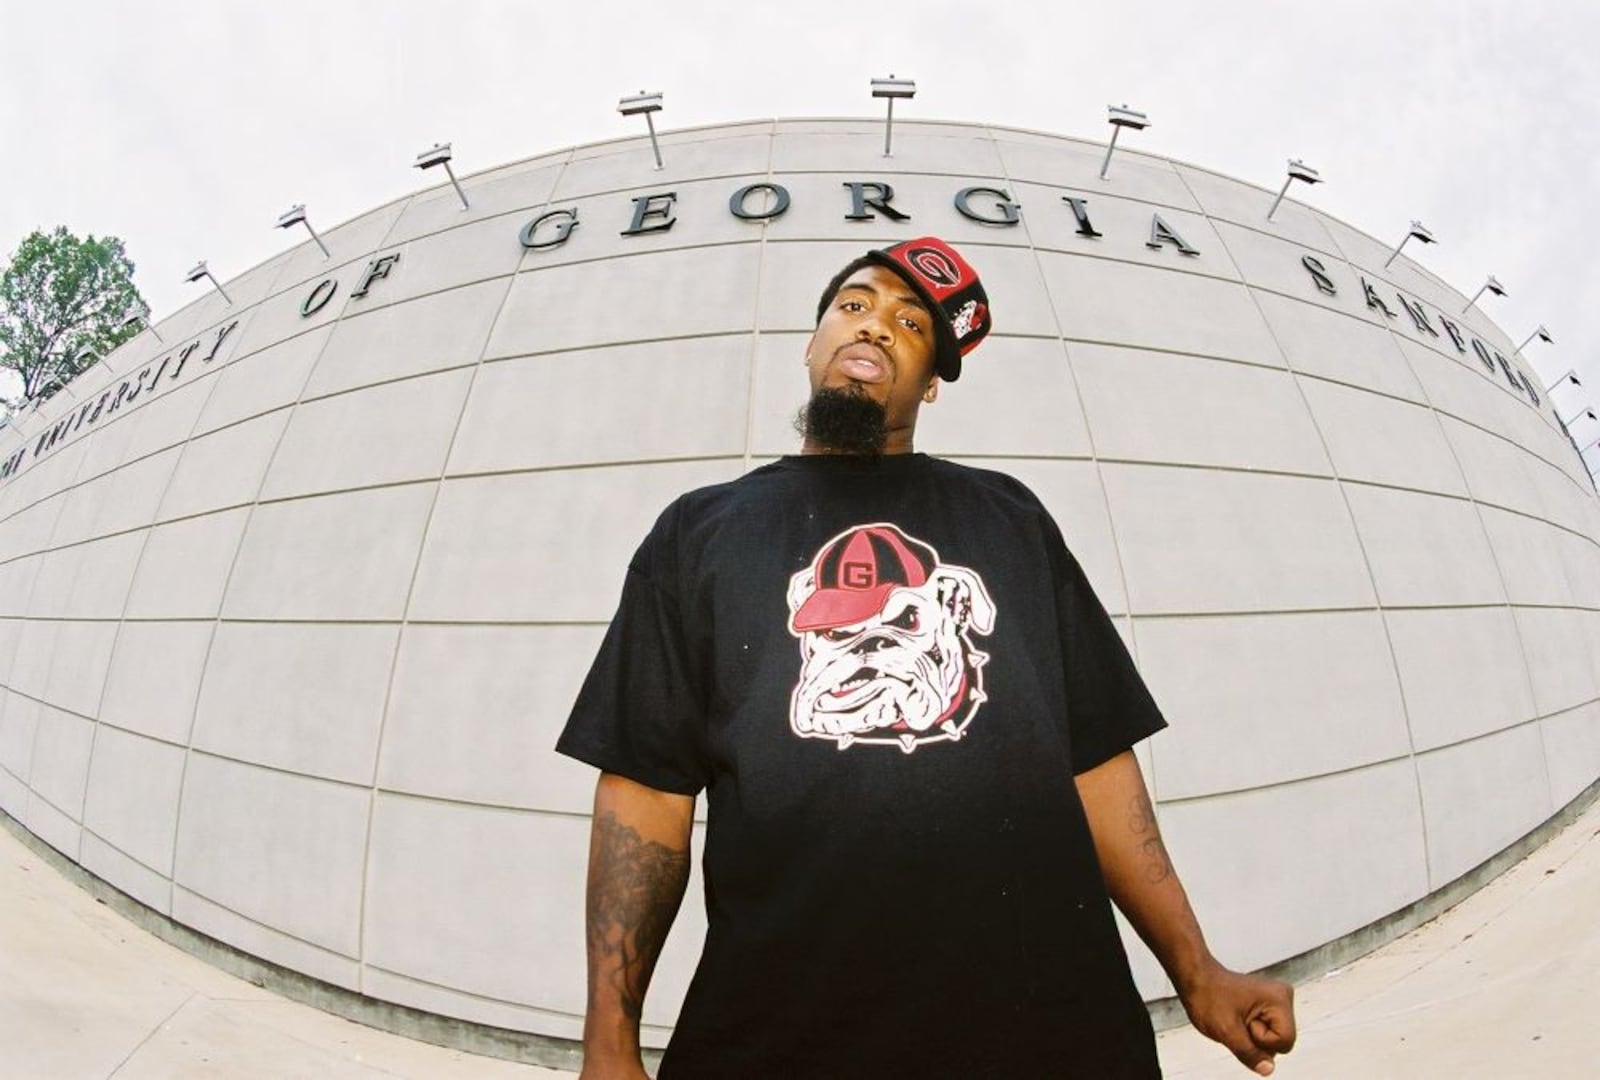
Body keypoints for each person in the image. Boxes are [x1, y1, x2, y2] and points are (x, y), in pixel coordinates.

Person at [556, 236, 1296, 1079]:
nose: (876, 329)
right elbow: (646, 790)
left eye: (912, 325)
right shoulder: (699, 531)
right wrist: (609, 1040)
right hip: (778, 1034)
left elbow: (1096, 763)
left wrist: (1197, 972)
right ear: (811, 341)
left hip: (1055, 1033)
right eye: (856, 305)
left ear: (933, 382)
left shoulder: (1009, 517)